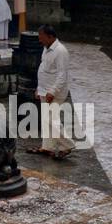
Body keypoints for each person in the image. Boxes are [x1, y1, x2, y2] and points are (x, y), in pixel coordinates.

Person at [30, 24, 73, 159]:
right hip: (44, 89)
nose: (39, 40)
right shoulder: (46, 48)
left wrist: (52, 91)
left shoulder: (61, 51)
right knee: (46, 120)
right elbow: (44, 69)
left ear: (50, 37)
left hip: (54, 92)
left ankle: (67, 145)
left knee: (51, 120)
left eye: (41, 37)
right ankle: (47, 147)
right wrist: (39, 88)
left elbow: (62, 75)